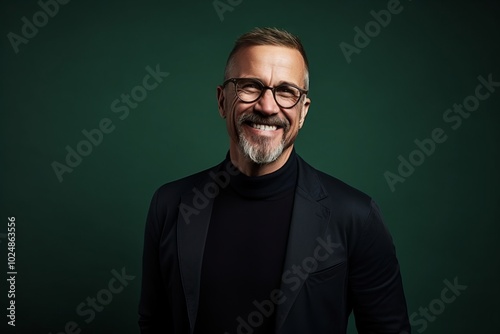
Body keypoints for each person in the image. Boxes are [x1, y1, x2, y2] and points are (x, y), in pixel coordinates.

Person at [139, 27, 411, 334]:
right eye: (250, 86)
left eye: (286, 92)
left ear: (303, 111)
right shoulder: (169, 204)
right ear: (222, 101)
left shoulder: (357, 216)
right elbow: (154, 324)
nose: (267, 107)